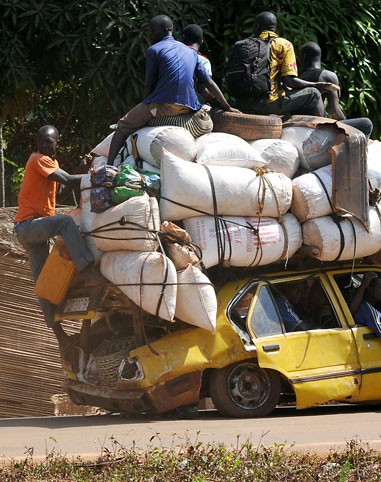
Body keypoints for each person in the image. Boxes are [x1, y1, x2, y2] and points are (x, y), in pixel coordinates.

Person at [106, 15, 237, 164]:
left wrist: (144, 108)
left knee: (123, 125)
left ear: (164, 30)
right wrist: (227, 106)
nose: (150, 35)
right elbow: (208, 82)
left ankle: (108, 166)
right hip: (189, 108)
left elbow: (149, 86)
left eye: (152, 31)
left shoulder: (153, 50)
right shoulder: (192, 53)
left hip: (163, 106)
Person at [14, 125, 94, 335]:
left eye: (48, 142)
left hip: (34, 231)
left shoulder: (51, 164)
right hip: (28, 227)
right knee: (65, 223)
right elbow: (67, 179)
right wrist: (94, 177)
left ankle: (57, 330)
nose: (44, 145)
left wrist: (80, 169)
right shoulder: (37, 159)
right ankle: (86, 268)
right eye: (41, 141)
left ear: (56, 142)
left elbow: (61, 196)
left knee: (42, 281)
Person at [234, 11, 332, 116]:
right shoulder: (283, 44)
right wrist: (316, 85)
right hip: (268, 104)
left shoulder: (244, 47)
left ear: (257, 26)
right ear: (275, 27)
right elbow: (289, 81)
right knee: (314, 93)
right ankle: (321, 128)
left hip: (242, 103)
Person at [299, 41, 373, 137]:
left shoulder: (298, 79)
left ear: (303, 57)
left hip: (301, 124)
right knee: (366, 123)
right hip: (318, 125)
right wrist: (346, 125)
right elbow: (334, 111)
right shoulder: (327, 76)